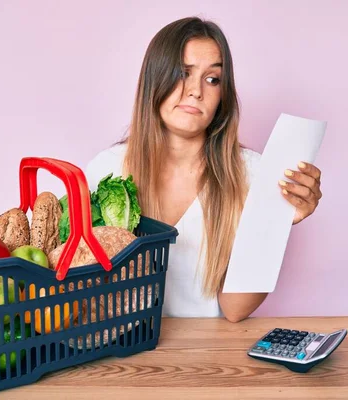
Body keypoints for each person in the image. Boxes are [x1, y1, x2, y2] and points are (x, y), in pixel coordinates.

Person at [85, 17, 322, 323]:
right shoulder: (107, 170)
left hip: (209, 356)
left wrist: (274, 225)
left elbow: (235, 310)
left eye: (213, 79)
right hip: (124, 353)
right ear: (154, 79)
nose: (196, 91)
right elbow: (83, 298)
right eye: (184, 73)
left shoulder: (252, 172)